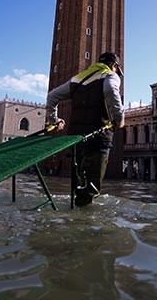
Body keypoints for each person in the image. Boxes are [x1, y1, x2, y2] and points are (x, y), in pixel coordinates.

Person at [46, 52, 125, 207]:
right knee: (91, 189)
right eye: (116, 69)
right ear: (113, 65)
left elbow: (52, 96)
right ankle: (83, 225)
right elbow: (110, 90)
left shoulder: (78, 79)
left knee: (79, 185)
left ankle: (71, 216)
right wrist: (119, 118)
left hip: (76, 140)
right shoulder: (110, 75)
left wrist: (53, 120)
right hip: (98, 138)